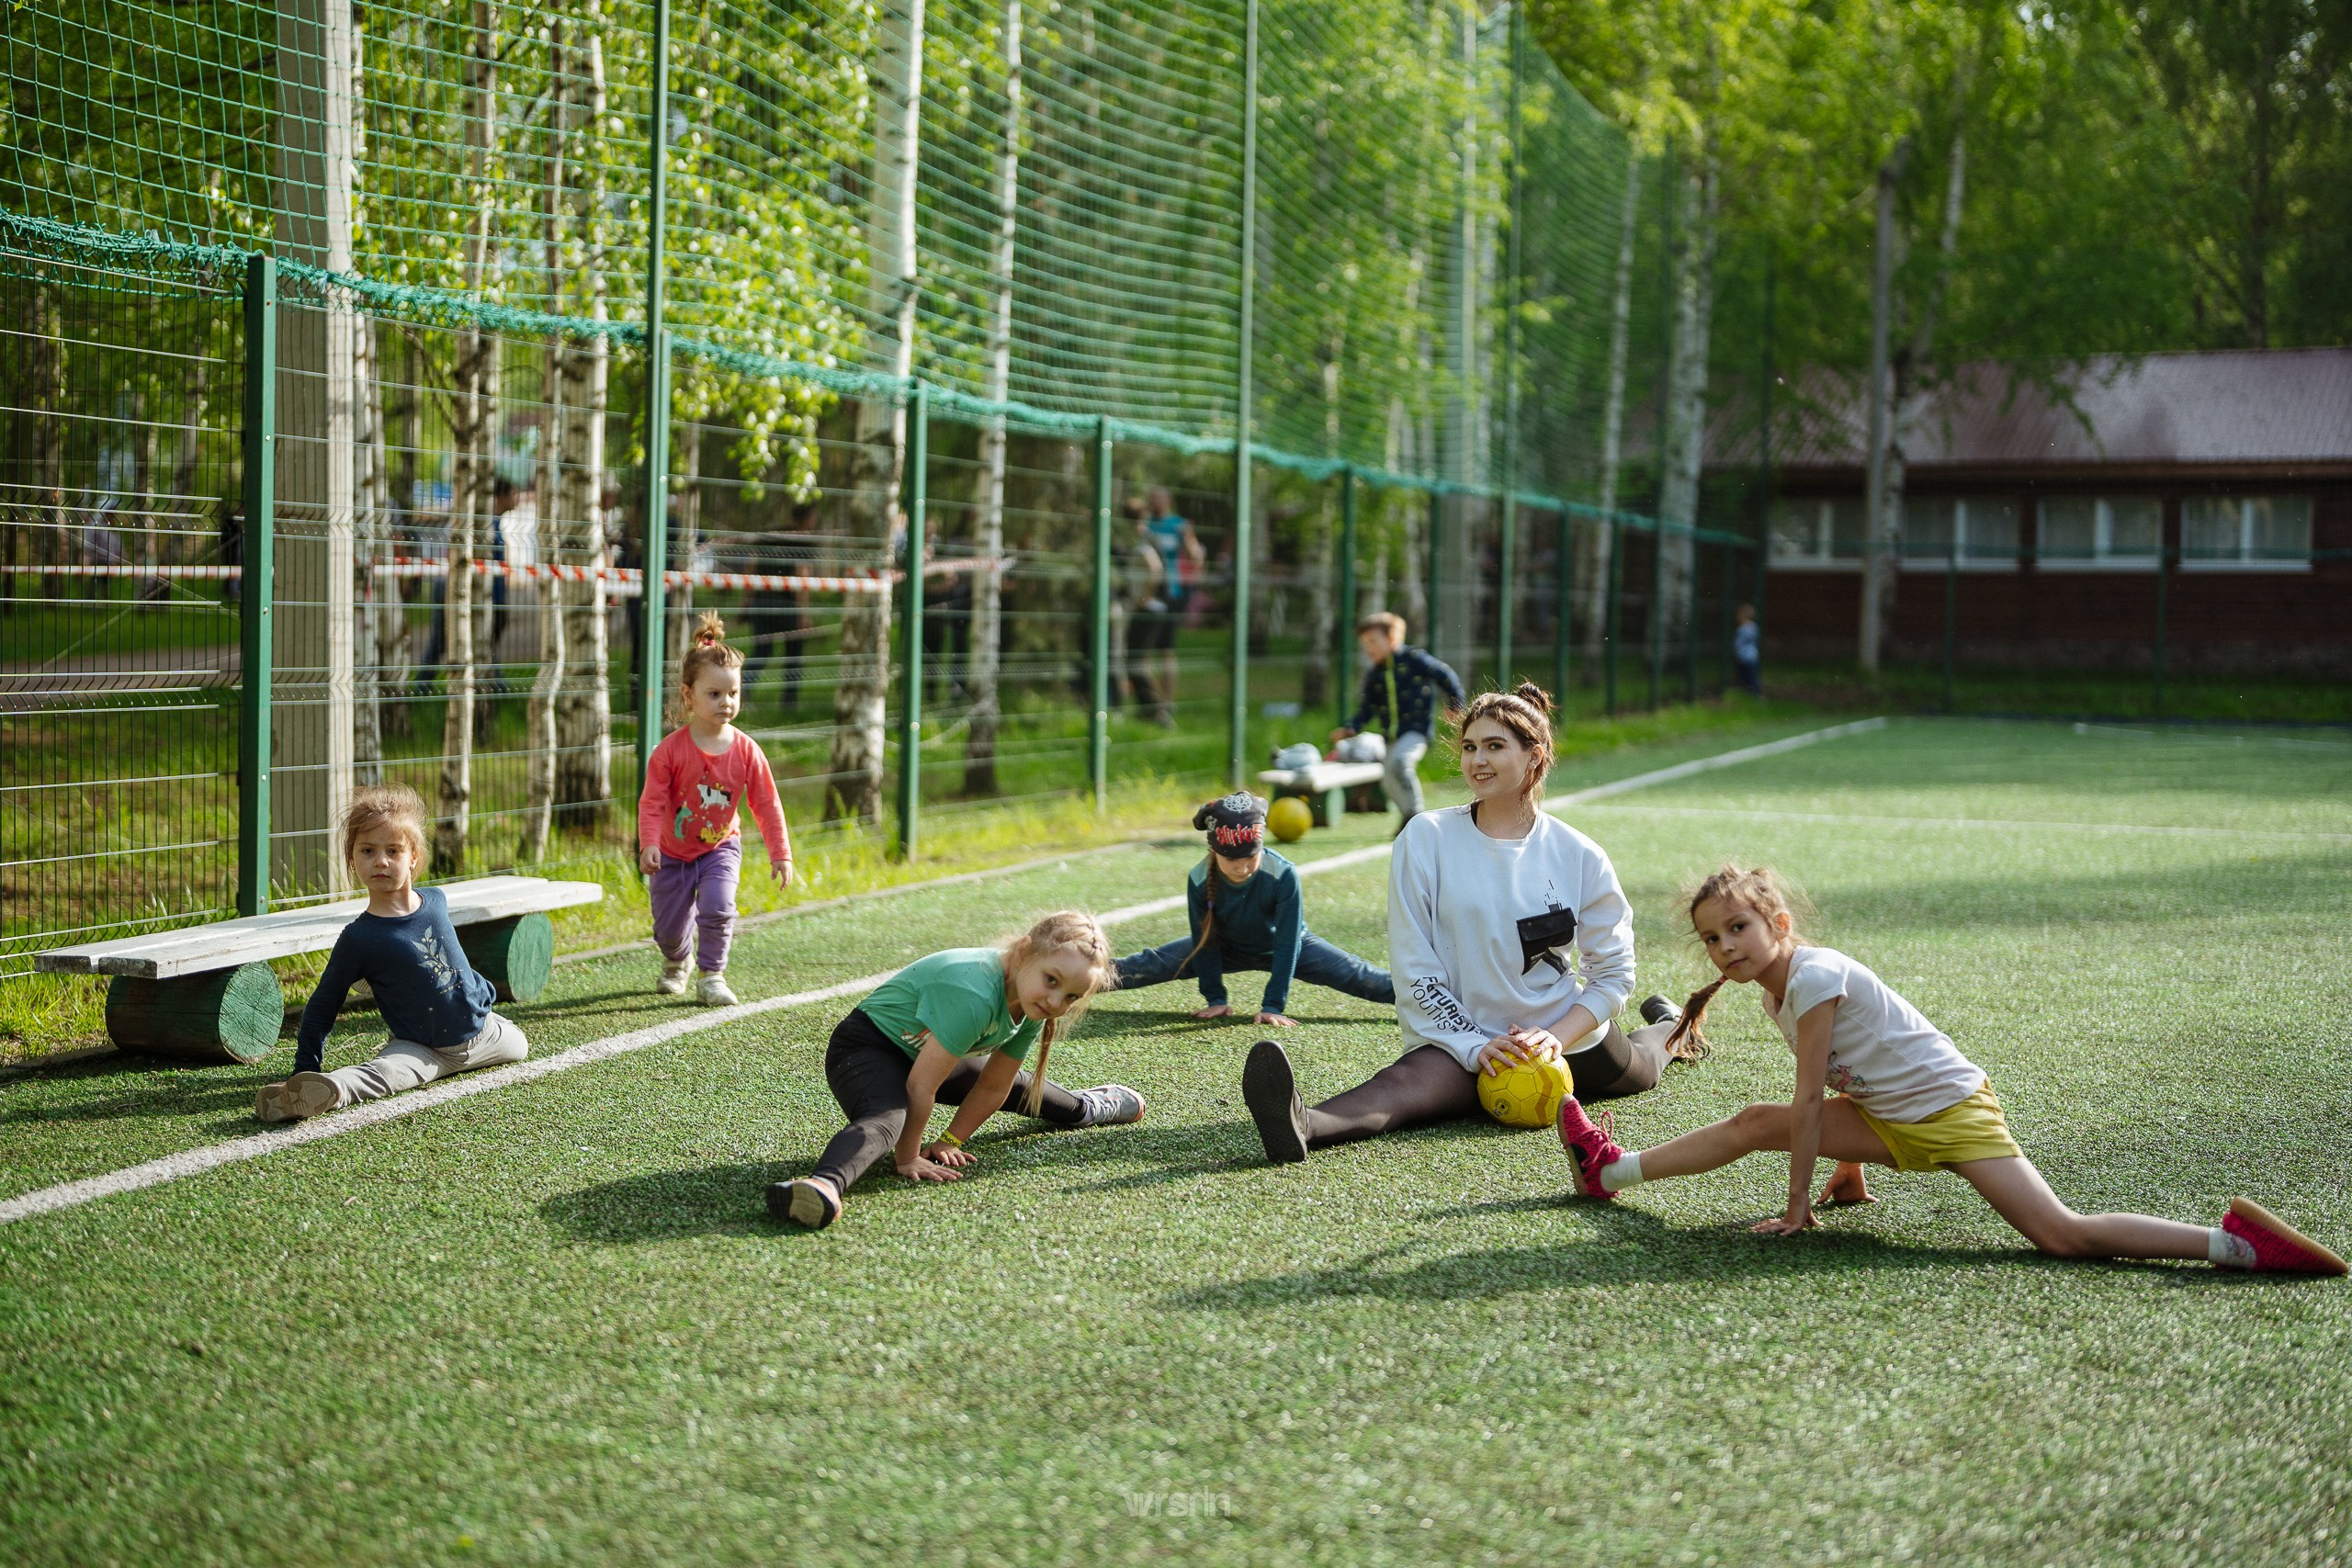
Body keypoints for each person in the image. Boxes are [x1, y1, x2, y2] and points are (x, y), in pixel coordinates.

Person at [1555, 864, 2347, 1276]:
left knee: (2061, 1236)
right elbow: (1845, 1078)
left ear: (1779, 923)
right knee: (1750, 1121)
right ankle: (1611, 1171)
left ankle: (2232, 1243)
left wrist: (1797, 1206)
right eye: (1712, 938)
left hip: (1952, 1111)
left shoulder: (1814, 976)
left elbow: (1809, 1100)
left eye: (1739, 928)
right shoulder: (1778, 997)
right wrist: (1850, 1170)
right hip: (1896, 1118)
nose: (1726, 947)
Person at [1243, 684, 1694, 1164]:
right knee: (1400, 1089)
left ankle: (1674, 1026)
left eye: (1496, 747)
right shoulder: (1426, 837)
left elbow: (1613, 975)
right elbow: (1414, 967)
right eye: (1470, 747)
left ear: (1534, 756)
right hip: (1462, 1034)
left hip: (1558, 1035)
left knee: (1643, 1068)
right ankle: (1301, 1123)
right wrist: (1476, 1046)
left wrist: (1555, 1038)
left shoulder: (1579, 854)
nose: (1478, 760)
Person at [767, 911, 1147, 1230]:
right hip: (869, 1047)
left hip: (923, 1053)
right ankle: (822, 1185)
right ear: (1025, 951)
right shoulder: (976, 993)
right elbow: (920, 1085)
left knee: (1020, 1088)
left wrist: (951, 1140)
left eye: (1071, 996)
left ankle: (1087, 1107)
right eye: (1052, 980)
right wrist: (908, 1156)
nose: (1055, 1002)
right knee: (889, 1117)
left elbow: (994, 1086)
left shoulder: (1031, 1000)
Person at [255, 785, 528, 1122]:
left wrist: (482, 995)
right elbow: (322, 1006)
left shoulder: (437, 902)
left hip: (482, 1036)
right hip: (422, 1049)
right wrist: (305, 1066)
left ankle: (485, 1025)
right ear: (352, 859)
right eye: (368, 850)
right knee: (382, 1075)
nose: (381, 861)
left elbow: (455, 965)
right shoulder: (359, 938)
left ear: (413, 856)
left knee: (520, 1046)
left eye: (393, 851)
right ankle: (315, 1091)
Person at [1114, 793, 1392, 1027]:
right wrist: (1216, 999)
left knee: (1361, 975)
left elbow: (1287, 942)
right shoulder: (1198, 879)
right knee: (1147, 964)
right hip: (1226, 947)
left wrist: (1273, 1005)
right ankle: (1073, 977)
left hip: (1292, 947)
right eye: (1231, 859)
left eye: (1250, 857)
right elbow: (1204, 942)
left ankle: (1432, 990)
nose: (1242, 867)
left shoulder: (1283, 874)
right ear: (1213, 851)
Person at [638, 614, 793, 1007]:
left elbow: (767, 804)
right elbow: (652, 801)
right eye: (715, 694)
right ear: (689, 695)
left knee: (719, 907)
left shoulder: (746, 750)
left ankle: (712, 975)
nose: (727, 702)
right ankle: (678, 960)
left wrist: (781, 852)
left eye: (734, 694)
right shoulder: (669, 751)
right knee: (668, 930)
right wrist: (649, 843)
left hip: (720, 848)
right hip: (672, 853)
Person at [1330, 611, 1465, 832]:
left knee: (1400, 762)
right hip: (1390, 735)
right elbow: (1367, 708)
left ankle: (1417, 814)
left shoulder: (1413, 659)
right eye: (1365, 644)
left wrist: (1455, 703)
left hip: (1416, 731)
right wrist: (1351, 727)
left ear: (1392, 638)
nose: (1368, 648)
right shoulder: (1376, 675)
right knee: (1387, 781)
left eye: (1373, 641)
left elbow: (1444, 674)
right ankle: (1408, 817)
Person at [1733, 603, 1761, 695]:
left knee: (1745, 675)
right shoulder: (1754, 627)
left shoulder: (1742, 629)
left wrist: (1735, 648)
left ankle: (1749, 692)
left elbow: (1738, 643)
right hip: (1753, 655)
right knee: (1752, 676)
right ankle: (1753, 692)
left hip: (1743, 656)